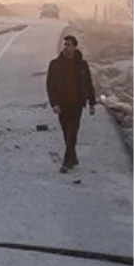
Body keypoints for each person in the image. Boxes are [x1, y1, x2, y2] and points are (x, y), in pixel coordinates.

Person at [45, 35, 96, 172]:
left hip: (77, 104)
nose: (65, 48)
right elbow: (50, 86)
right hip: (62, 105)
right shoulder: (54, 65)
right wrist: (54, 104)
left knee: (72, 132)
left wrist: (92, 103)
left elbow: (89, 84)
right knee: (65, 132)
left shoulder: (82, 65)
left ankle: (67, 162)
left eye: (68, 45)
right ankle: (73, 157)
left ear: (74, 47)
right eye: (64, 45)